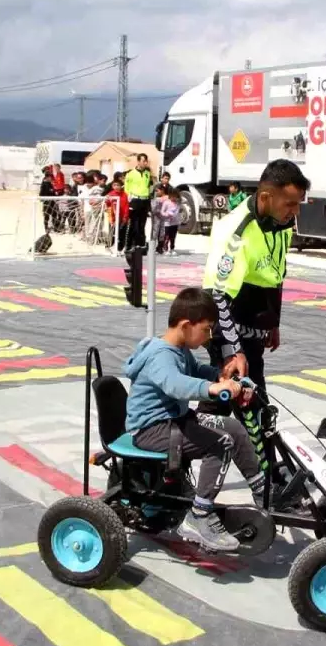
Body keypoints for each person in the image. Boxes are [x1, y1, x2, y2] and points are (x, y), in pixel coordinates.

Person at [125, 288, 264, 552]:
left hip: (173, 421)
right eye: (208, 329)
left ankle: (263, 495)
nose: (209, 337)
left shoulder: (179, 351)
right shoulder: (160, 354)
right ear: (187, 325)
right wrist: (212, 389)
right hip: (152, 429)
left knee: (233, 428)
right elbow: (175, 384)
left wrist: (223, 377)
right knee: (221, 442)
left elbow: (197, 370)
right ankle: (199, 516)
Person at [202, 159, 309, 485]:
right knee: (248, 403)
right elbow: (218, 296)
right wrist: (234, 350)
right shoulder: (237, 231)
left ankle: (177, 462)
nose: (295, 211)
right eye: (290, 203)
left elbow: (273, 276)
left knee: (229, 407)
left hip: (254, 331)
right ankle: (267, 483)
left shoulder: (280, 225)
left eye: (298, 204)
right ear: (265, 196)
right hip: (228, 331)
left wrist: (272, 323)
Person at [125, 153, 154, 249]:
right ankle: (131, 244)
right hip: (135, 200)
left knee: (142, 223)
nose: (145, 163)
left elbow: (148, 187)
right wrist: (129, 199)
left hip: (144, 200)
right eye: (143, 161)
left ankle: (141, 243)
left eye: (146, 161)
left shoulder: (147, 173)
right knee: (134, 223)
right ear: (138, 161)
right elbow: (127, 188)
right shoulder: (131, 174)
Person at [160, 187, 182, 255]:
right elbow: (162, 212)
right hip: (168, 223)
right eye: (173, 196)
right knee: (167, 236)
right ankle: (165, 249)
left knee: (173, 237)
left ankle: (172, 248)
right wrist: (167, 215)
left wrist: (179, 221)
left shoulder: (177, 203)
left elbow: (178, 212)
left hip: (175, 223)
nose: (174, 198)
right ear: (170, 195)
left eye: (176, 197)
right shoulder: (166, 202)